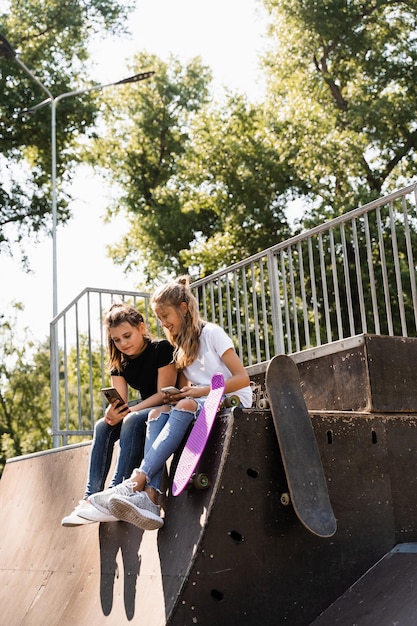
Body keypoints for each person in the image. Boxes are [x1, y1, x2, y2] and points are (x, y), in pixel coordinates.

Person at [88, 276, 252, 530]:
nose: (163, 323)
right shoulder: (180, 347)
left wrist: (197, 392)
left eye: (166, 316)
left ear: (183, 309)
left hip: (230, 397)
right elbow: (186, 387)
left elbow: (242, 378)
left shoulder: (211, 334)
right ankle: (152, 498)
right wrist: (180, 394)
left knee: (184, 406)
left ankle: (137, 481)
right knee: (157, 413)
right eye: (159, 318)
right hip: (200, 399)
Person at [61, 302, 177, 526]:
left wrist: (130, 411)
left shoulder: (161, 349)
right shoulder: (119, 361)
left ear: (141, 328)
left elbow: (164, 395)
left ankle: (115, 493)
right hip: (142, 409)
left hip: (166, 408)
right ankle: (89, 498)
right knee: (102, 426)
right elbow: (121, 401)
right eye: (117, 340)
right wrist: (113, 412)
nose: (123, 343)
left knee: (132, 419)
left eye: (127, 335)